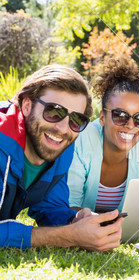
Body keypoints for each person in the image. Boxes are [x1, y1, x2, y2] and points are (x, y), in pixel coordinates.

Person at [0, 65, 123, 251]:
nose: (63, 129)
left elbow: (49, 207)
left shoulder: (59, 146)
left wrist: (75, 221)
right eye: (54, 112)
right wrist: (68, 236)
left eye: (76, 120)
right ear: (26, 105)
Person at [68, 58, 139, 213]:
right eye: (120, 115)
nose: (131, 125)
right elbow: (69, 207)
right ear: (102, 117)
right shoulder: (82, 139)